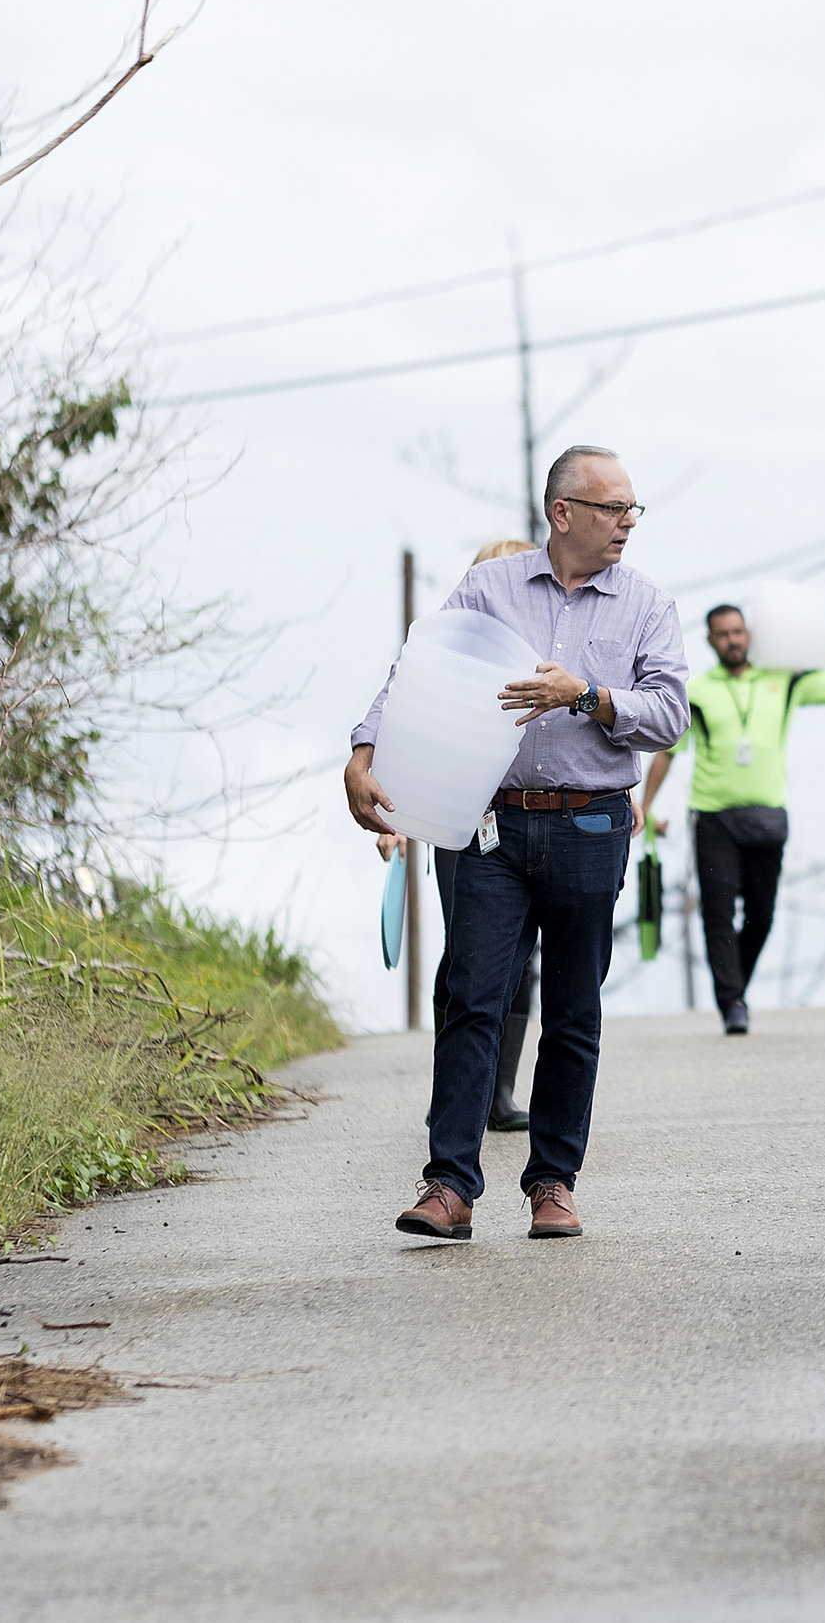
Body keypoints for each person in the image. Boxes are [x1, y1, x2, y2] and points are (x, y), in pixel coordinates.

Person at [346, 446, 688, 1241]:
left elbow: (669, 713)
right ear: (562, 512)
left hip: (591, 821)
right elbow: (415, 672)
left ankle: (553, 1184)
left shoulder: (646, 604)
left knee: (573, 1010)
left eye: (634, 510)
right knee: (474, 998)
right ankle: (450, 1185)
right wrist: (364, 752)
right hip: (488, 822)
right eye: (613, 509)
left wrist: (590, 696)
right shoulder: (487, 588)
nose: (628, 523)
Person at [373, 537, 545, 1133]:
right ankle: (454, 1091)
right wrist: (395, 821)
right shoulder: (451, 658)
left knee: (524, 964)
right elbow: (413, 737)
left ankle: (498, 1095)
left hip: (533, 821)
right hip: (464, 828)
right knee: (470, 958)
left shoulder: (543, 653)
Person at [637, 597, 825, 1034]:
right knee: (717, 914)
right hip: (714, 815)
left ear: (749, 634)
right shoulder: (696, 691)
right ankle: (732, 1003)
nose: (733, 640)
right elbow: (668, 753)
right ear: (711, 640)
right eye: (723, 634)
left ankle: (736, 987)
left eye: (738, 632)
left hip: (769, 816)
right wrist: (645, 804)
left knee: (761, 915)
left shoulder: (783, 680)